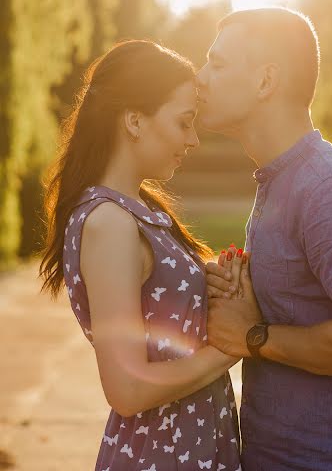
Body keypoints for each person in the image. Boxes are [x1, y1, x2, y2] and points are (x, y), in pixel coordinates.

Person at [197, 8, 332, 470]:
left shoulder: (329, 185)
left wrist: (253, 336)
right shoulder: (279, 181)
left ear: (266, 82)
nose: (200, 78)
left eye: (218, 64)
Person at [39, 40, 242, 471]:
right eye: (184, 122)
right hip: (162, 455)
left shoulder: (140, 211)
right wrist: (230, 349)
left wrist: (217, 284)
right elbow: (127, 388)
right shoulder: (109, 222)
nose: (193, 139)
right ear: (134, 120)